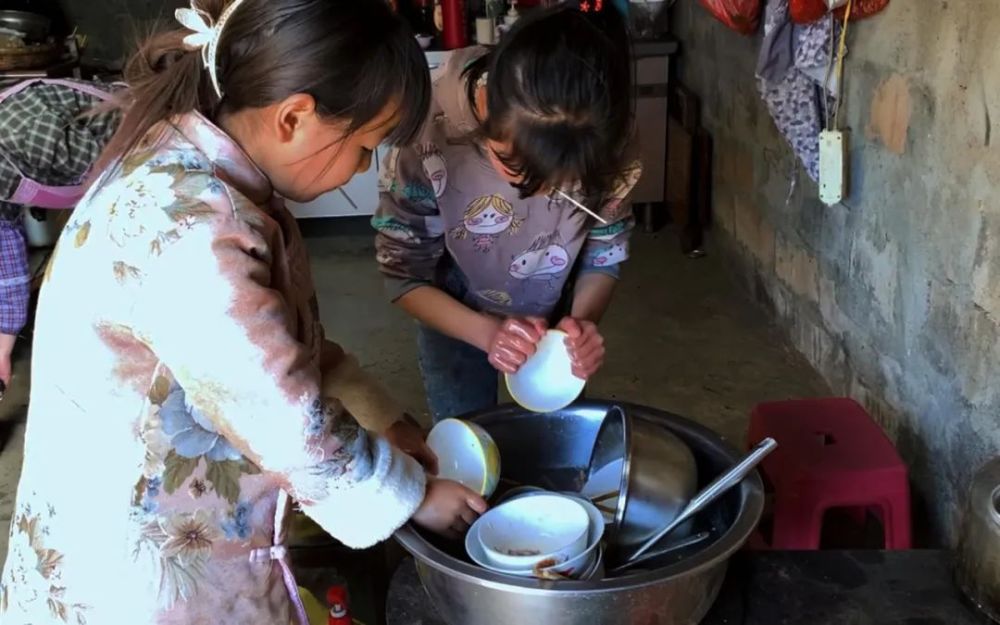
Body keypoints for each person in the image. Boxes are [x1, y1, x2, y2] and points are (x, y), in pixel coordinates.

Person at [0, 1, 486, 623]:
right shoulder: (195, 229)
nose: (363, 168)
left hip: (138, 517)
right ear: (295, 118)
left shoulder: (201, 165)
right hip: (129, 575)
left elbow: (285, 351)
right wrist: (411, 495)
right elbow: (283, 416)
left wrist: (385, 423)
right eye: (363, 148)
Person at [374, 2, 643, 422]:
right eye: (513, 168)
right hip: (454, 310)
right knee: (467, 434)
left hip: (555, 308)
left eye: (563, 184)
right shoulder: (430, 133)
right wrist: (484, 332)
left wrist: (580, 327)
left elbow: (602, 255)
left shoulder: (607, 140)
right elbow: (403, 274)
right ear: (487, 122)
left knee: (556, 437)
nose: (534, 193)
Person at [0, 78, 122, 397]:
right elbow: (7, 262)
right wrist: (3, 343)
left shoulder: (23, 134)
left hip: (150, 147)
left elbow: (130, 174)